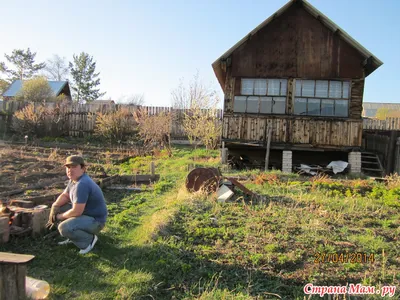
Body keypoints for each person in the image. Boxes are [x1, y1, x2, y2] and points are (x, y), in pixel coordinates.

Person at [46, 155, 108, 254]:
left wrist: (58, 216)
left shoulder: (82, 184)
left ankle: (88, 241)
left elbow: (77, 211)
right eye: (68, 167)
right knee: (61, 207)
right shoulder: (74, 180)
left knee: (63, 227)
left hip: (96, 222)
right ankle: (75, 237)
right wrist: (55, 206)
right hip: (86, 216)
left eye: (74, 167)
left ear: (83, 168)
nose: (70, 170)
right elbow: (65, 196)